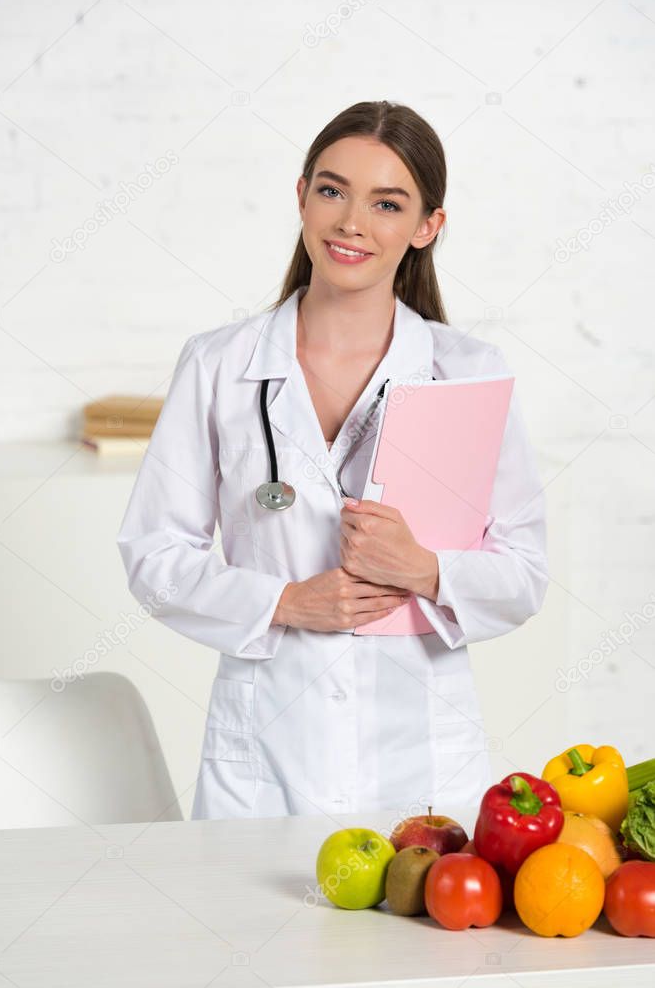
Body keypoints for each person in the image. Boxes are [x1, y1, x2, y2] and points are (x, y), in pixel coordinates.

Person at [116, 100, 549, 821]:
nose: (351, 222)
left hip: (423, 760)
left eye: (387, 203)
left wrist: (425, 568)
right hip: (263, 762)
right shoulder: (219, 364)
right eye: (331, 189)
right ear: (301, 195)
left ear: (425, 227)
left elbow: (524, 573)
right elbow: (153, 556)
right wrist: (284, 602)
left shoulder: (467, 372)